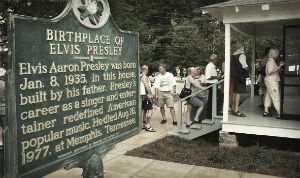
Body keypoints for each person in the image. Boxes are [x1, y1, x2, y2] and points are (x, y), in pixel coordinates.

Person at [264, 48, 284, 119]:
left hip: (269, 81)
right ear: (274, 53)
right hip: (272, 81)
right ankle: (279, 113)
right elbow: (270, 71)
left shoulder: (270, 60)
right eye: (277, 53)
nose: (278, 55)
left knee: (268, 96)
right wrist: (279, 66)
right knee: (276, 96)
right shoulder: (271, 61)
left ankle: (266, 111)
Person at [231, 44, 249, 117]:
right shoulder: (242, 55)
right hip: (240, 77)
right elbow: (245, 66)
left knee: (235, 92)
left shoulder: (233, 55)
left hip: (234, 76)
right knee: (238, 93)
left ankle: (233, 108)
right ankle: (236, 110)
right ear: (242, 48)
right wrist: (248, 70)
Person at [205, 54, 223, 118]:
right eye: (217, 59)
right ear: (214, 60)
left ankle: (209, 114)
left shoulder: (212, 66)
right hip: (211, 85)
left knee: (211, 99)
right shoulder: (209, 66)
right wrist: (217, 77)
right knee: (220, 96)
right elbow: (208, 77)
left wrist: (217, 77)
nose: (217, 61)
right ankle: (217, 111)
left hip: (213, 84)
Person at [140, 65, 155, 132]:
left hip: (141, 97)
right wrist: (151, 94)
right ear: (145, 70)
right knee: (150, 110)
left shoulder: (139, 76)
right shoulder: (144, 77)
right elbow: (146, 86)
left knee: (144, 111)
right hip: (146, 96)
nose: (148, 71)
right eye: (148, 69)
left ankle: (143, 124)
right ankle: (148, 126)